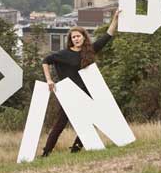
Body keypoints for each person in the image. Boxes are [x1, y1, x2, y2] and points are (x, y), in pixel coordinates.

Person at [41, 10, 120, 157]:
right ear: (71, 39)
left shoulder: (89, 51)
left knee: (90, 123)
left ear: (84, 37)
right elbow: (45, 61)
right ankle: (45, 153)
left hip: (86, 94)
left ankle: (76, 150)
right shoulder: (64, 54)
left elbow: (108, 35)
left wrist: (115, 19)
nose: (76, 39)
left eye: (78, 36)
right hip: (70, 95)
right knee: (60, 125)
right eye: (74, 37)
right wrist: (49, 79)